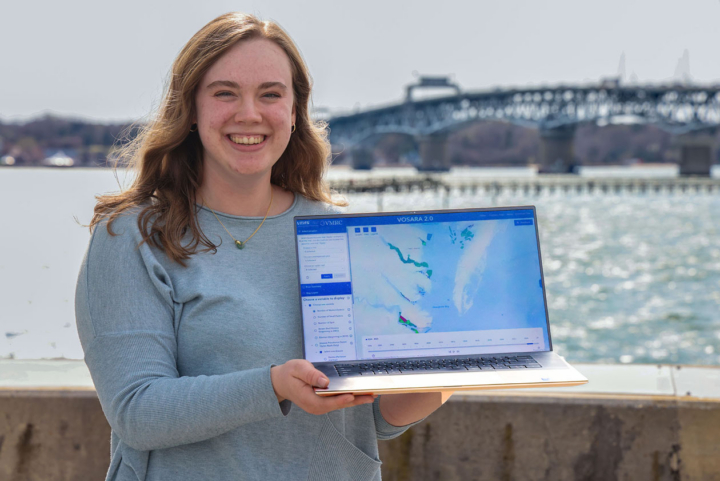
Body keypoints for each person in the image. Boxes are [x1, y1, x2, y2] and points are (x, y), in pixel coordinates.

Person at [76, 12, 447, 481]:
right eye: (225, 92)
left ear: (294, 113)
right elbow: (138, 411)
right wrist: (274, 386)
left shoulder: (342, 234)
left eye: (270, 94)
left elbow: (370, 419)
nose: (249, 113)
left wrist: (451, 368)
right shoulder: (133, 236)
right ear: (190, 110)